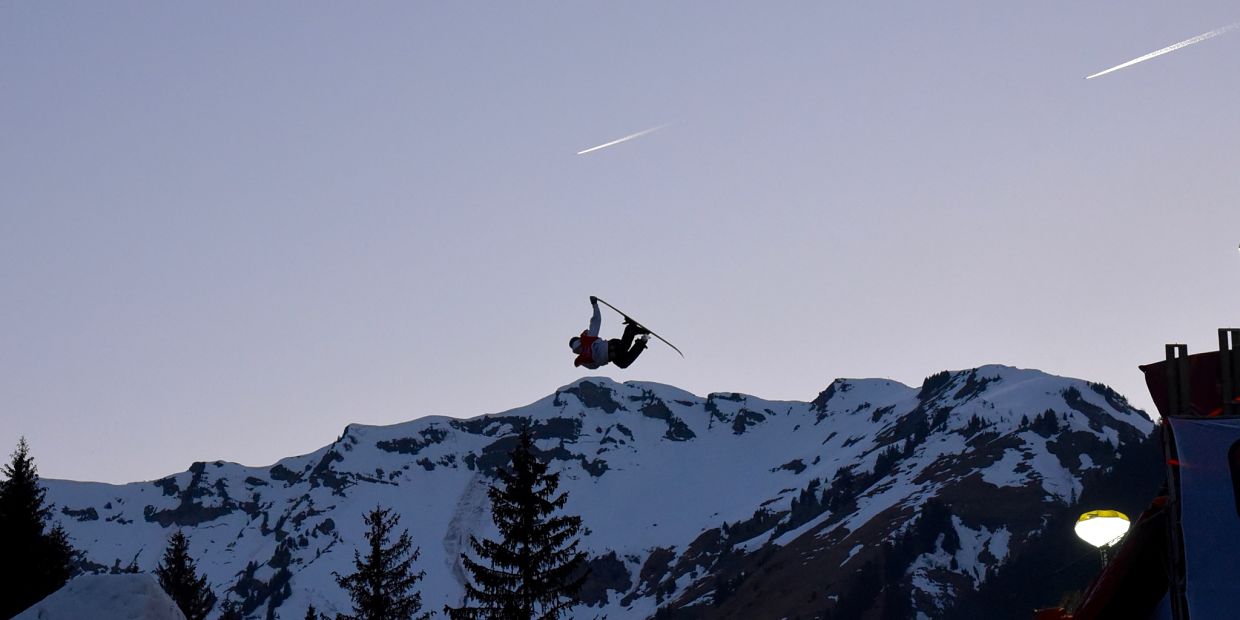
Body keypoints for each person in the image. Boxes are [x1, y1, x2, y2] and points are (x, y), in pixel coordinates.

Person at [570, 296, 649, 369]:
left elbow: (595, 366)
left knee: (624, 357)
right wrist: (595, 304)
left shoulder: (583, 357)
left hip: (611, 353)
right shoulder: (587, 340)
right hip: (612, 346)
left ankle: (637, 336)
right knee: (623, 358)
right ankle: (632, 331)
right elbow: (596, 321)